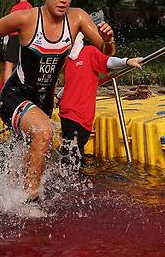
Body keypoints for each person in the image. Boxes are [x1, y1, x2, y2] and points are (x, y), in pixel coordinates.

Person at [0, 0, 115, 203]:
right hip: (14, 96)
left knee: (28, 153)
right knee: (44, 132)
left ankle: (6, 196)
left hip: (43, 102)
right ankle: (29, 200)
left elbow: (105, 52)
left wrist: (110, 40)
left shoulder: (78, 18)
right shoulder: (27, 18)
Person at [58, 32, 143, 171]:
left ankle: (71, 179)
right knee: (71, 153)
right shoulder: (67, 59)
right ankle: (72, 180)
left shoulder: (89, 52)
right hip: (68, 114)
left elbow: (108, 61)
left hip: (80, 114)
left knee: (72, 153)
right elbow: (70, 83)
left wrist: (126, 61)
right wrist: (59, 97)